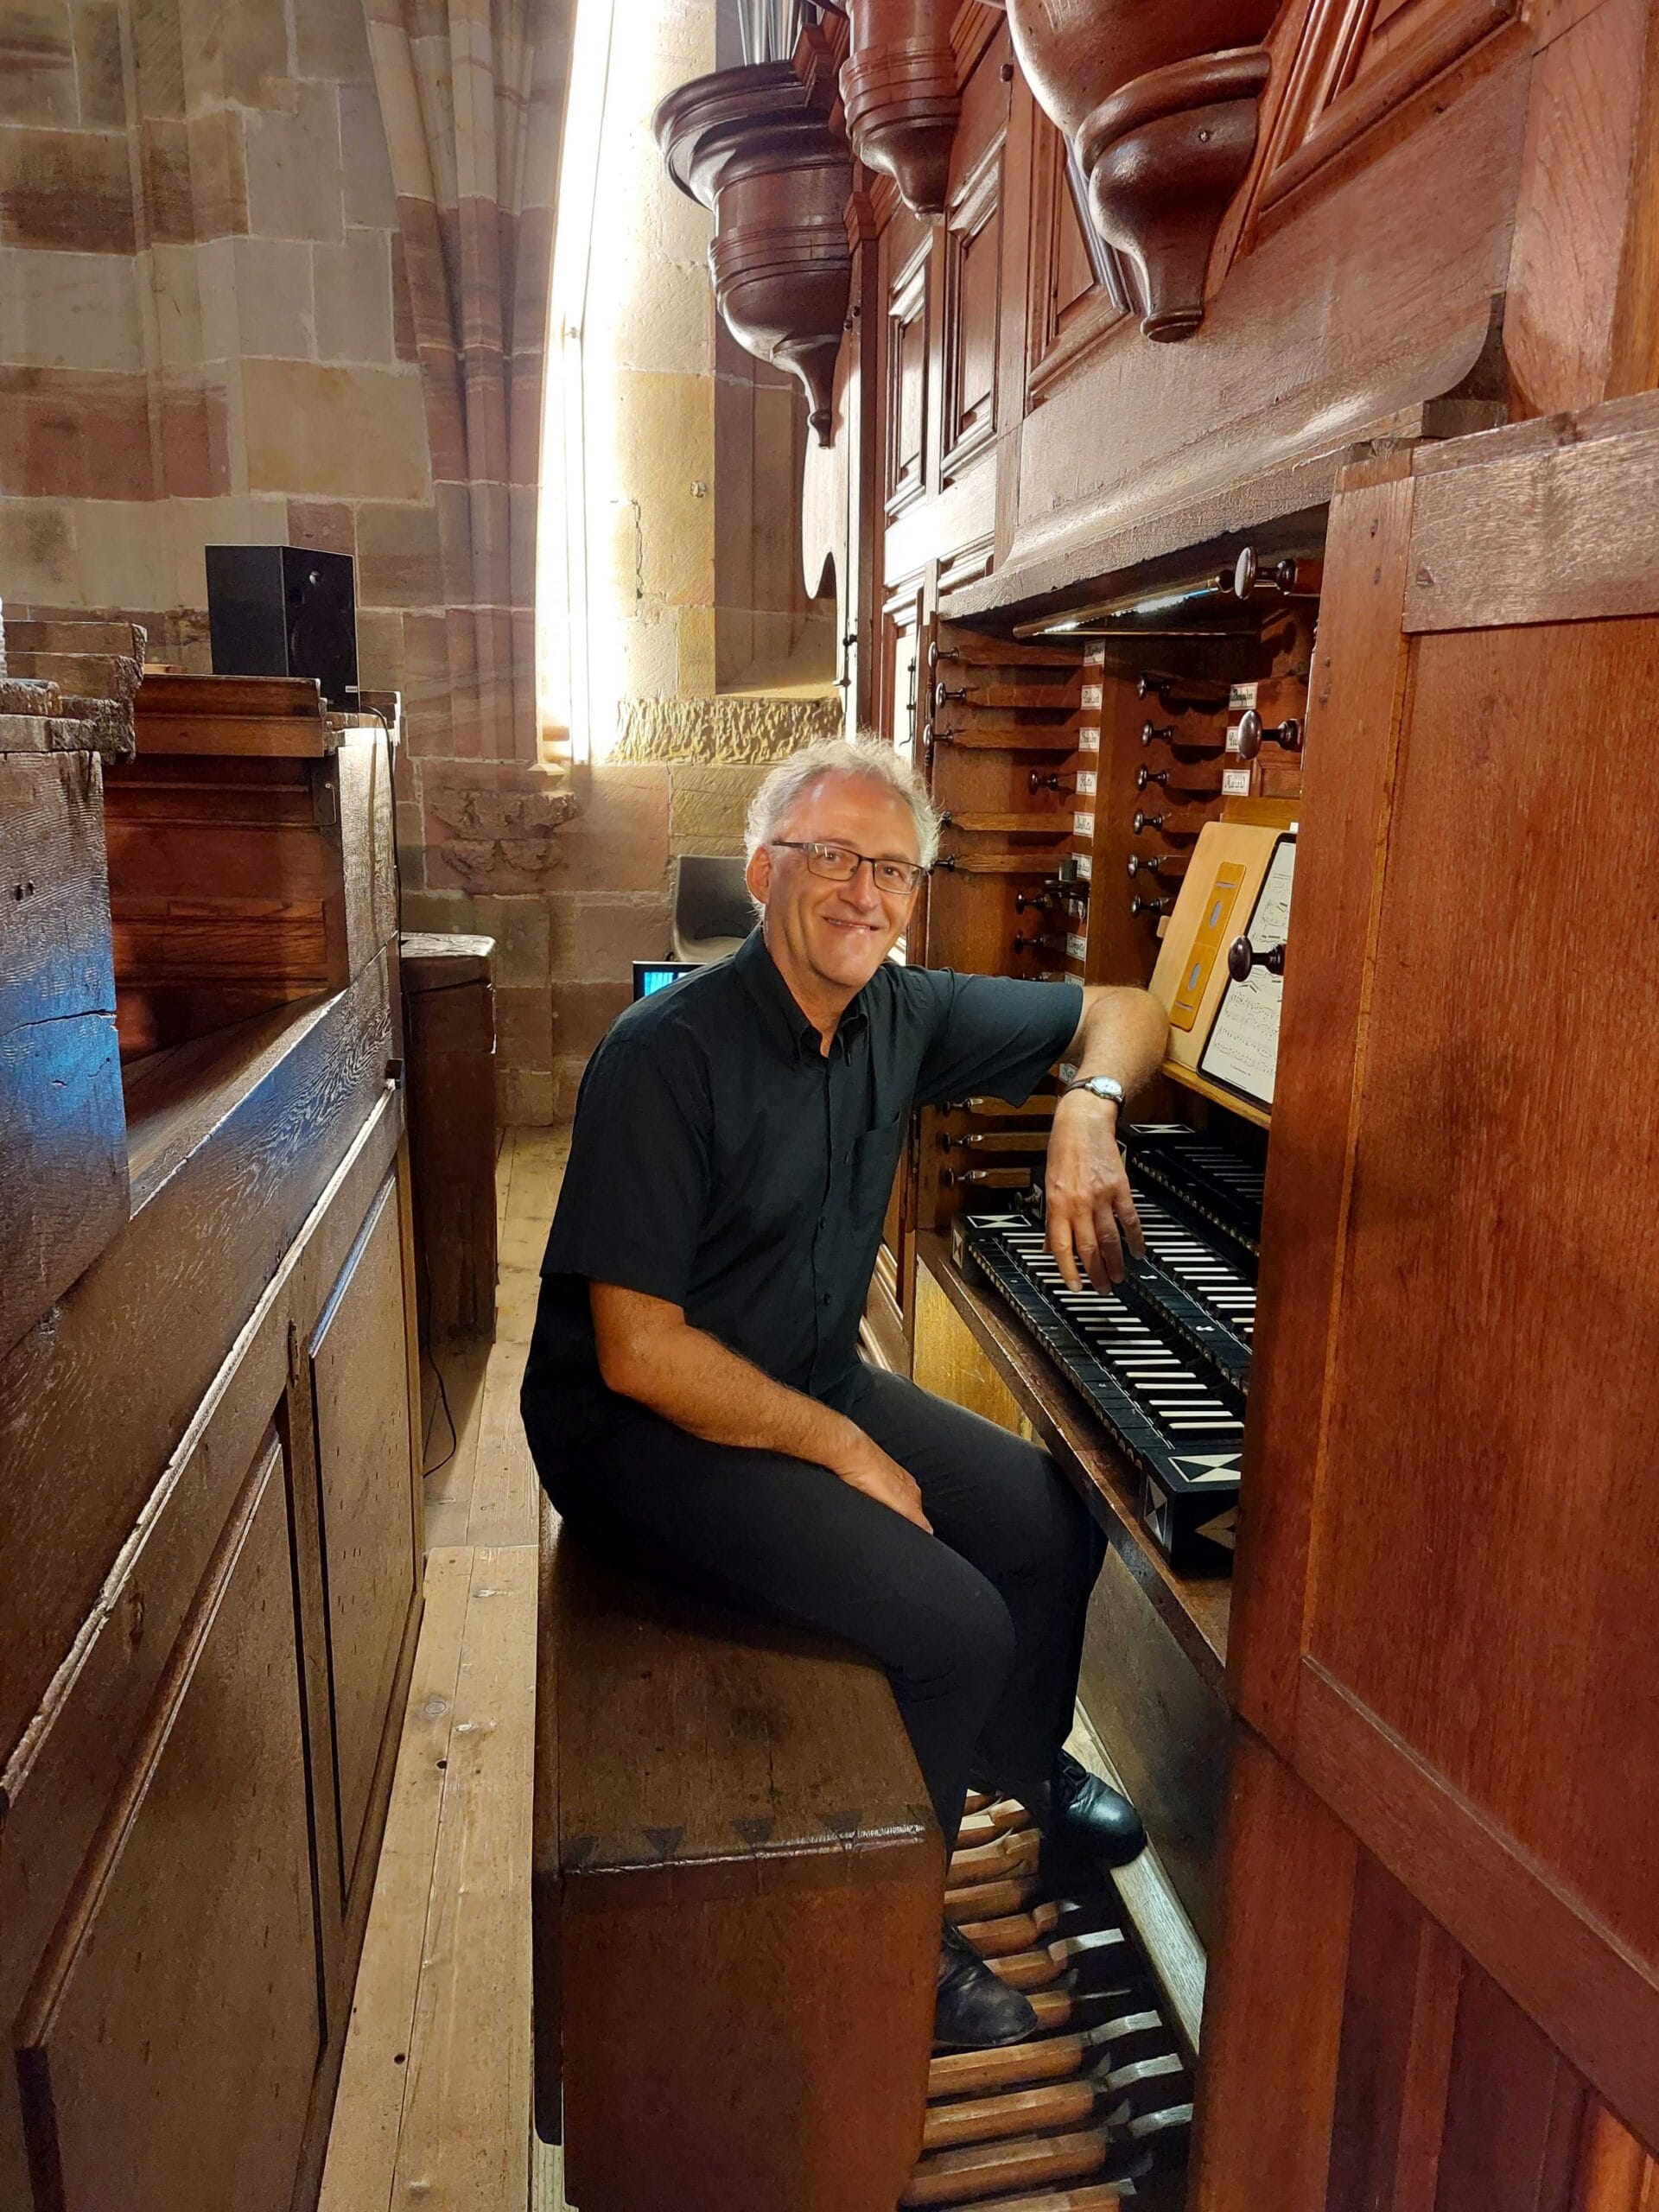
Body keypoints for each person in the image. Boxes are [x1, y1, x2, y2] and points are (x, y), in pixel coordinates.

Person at [520, 734, 1170, 2051]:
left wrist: (1089, 1106)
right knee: (950, 1624)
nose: (863, 890)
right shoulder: (663, 1057)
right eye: (830, 857)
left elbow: (1125, 1002)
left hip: (801, 1370)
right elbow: (641, 1350)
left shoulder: (901, 1011)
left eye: (892, 867)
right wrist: (842, 1448)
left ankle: (1022, 1780)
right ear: (764, 872)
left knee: (1051, 1522)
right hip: (637, 1431)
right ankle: (896, 1937)